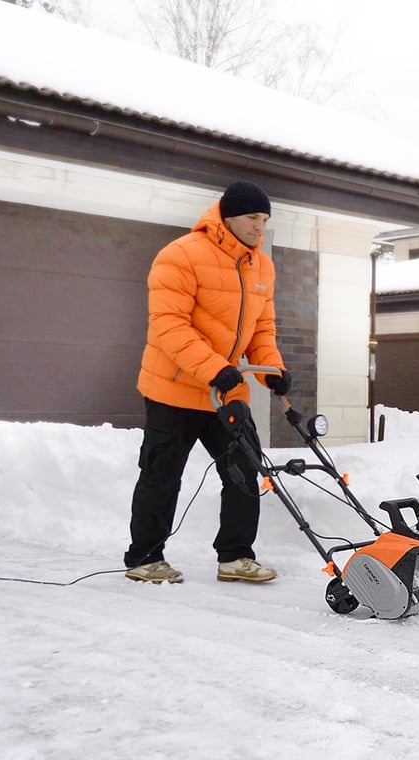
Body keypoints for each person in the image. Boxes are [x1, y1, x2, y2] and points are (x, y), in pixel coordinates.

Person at [123, 180, 293, 584]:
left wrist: (271, 369)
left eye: (265, 219)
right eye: (253, 217)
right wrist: (214, 367)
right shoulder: (180, 255)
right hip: (173, 387)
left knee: (244, 471)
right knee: (162, 474)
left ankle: (235, 557)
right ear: (228, 215)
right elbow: (169, 325)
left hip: (226, 390)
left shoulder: (261, 266)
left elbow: (261, 329)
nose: (259, 227)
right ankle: (145, 558)